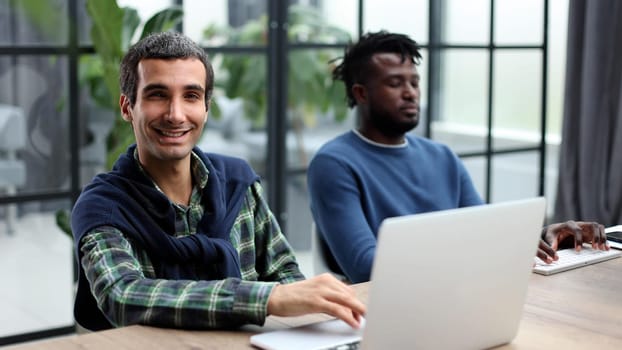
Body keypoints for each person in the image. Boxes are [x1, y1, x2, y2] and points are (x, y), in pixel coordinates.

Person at [70, 31, 365, 331]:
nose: (176, 114)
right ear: (126, 107)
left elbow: (285, 273)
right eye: (158, 94)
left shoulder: (238, 182)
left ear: (206, 108)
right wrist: (266, 299)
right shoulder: (103, 206)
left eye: (191, 96)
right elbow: (124, 296)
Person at [307, 30, 609, 284]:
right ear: (361, 94)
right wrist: (471, 249)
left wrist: (542, 237)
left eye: (414, 81)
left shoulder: (441, 156)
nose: (411, 92)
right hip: (390, 306)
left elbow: (486, 230)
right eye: (395, 83)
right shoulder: (335, 163)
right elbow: (365, 267)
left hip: (458, 291)